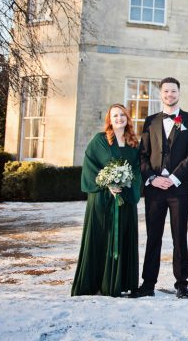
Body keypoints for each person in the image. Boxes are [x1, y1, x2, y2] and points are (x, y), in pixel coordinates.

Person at [133, 77, 188, 299]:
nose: (169, 95)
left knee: (179, 236)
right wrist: (152, 178)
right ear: (161, 94)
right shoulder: (150, 121)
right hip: (154, 190)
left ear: (179, 93)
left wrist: (173, 177)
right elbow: (142, 154)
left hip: (178, 189)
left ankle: (181, 284)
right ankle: (148, 283)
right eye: (166, 91)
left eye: (173, 91)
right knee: (153, 236)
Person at [72, 103, 141, 297]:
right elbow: (90, 165)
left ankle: (118, 283)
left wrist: (127, 184)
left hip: (124, 200)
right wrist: (107, 184)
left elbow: (136, 169)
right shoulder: (100, 140)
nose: (119, 118)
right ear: (109, 120)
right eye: (115, 116)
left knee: (121, 238)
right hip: (102, 201)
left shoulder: (133, 144)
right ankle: (94, 282)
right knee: (100, 238)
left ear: (128, 118)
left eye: (122, 115)